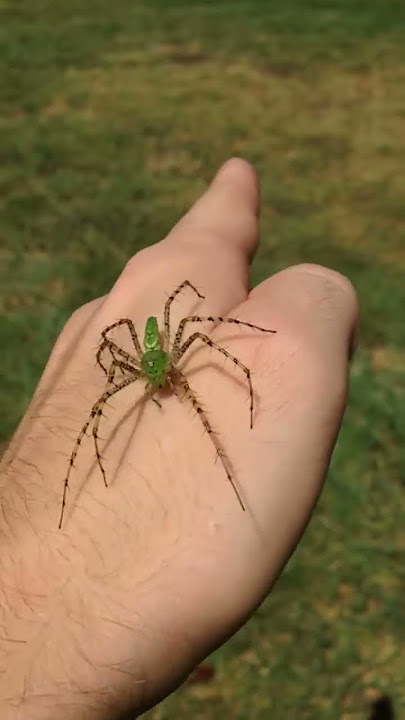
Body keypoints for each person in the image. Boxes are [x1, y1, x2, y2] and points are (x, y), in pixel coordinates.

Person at [0, 158, 359, 719]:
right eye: (154, 374)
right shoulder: (136, 366)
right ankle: (76, 483)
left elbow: (194, 325)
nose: (163, 384)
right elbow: (100, 396)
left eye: (161, 373)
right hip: (141, 352)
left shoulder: (173, 351)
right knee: (101, 412)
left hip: (163, 340)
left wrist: (244, 368)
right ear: (144, 366)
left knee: (201, 367)